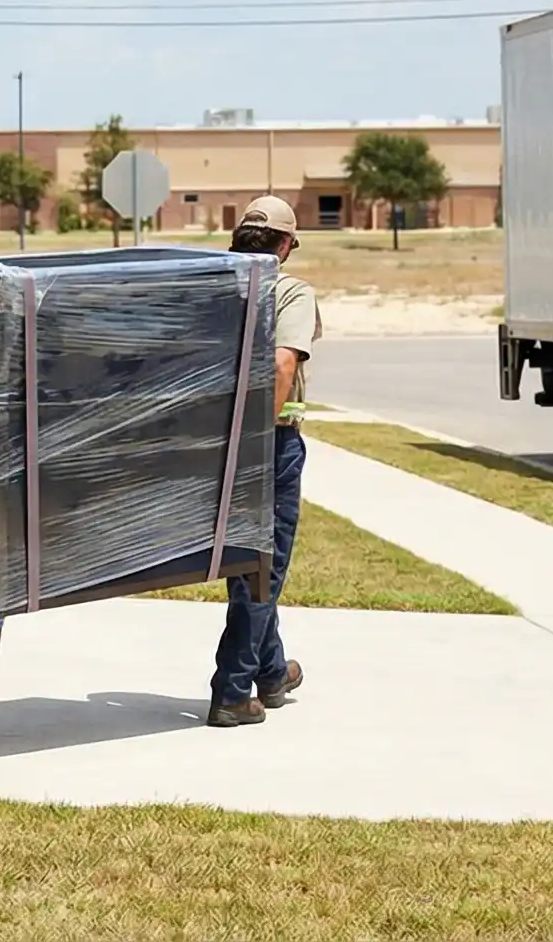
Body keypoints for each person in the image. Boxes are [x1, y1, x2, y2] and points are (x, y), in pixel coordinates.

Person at [209, 194, 319, 727]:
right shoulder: (290, 290)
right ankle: (231, 690)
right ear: (283, 245)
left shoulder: (217, 290)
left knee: (246, 563)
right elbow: (281, 366)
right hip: (269, 446)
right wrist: (255, 443)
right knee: (263, 569)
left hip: (216, 445)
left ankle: (272, 674)